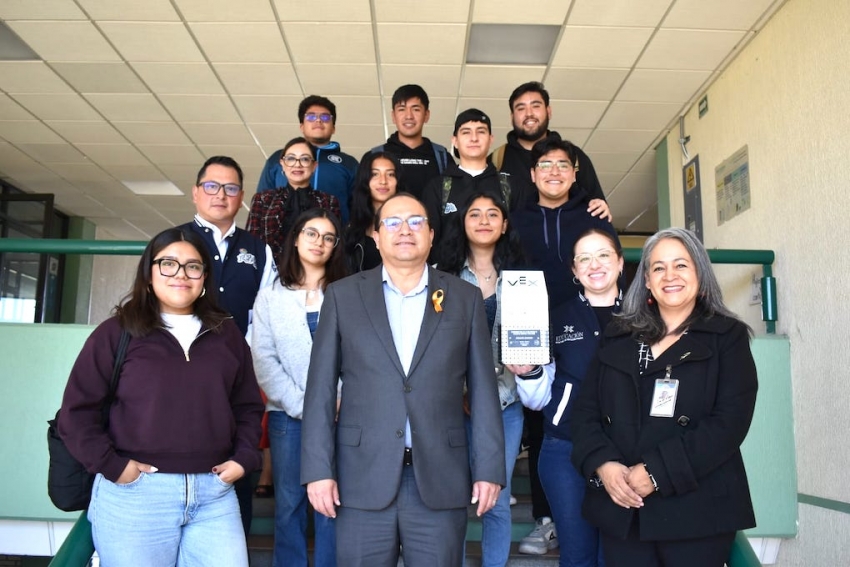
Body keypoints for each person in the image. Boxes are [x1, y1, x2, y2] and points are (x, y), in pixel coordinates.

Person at [301, 193, 506, 567]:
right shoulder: (343, 296)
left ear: (431, 235)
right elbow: (320, 390)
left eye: (415, 222)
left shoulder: (465, 297)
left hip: (440, 476)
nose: (405, 230)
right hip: (361, 477)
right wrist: (318, 471)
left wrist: (489, 469)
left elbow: (483, 391)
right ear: (376, 237)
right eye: (393, 223)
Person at [57, 228, 264, 567]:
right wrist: (114, 467)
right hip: (136, 494)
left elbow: (248, 407)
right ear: (149, 273)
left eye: (193, 266)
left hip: (214, 494)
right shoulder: (116, 332)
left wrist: (244, 458)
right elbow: (76, 413)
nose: (181, 274)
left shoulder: (226, 334)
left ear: (204, 277)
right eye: (168, 264)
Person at [571, 227, 758, 567]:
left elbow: (729, 424)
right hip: (625, 509)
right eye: (658, 267)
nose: (669, 276)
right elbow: (586, 412)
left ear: (700, 273)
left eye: (681, 265)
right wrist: (604, 465)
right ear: (646, 279)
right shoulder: (618, 334)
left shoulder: (727, 337)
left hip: (696, 512)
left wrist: (656, 472)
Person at [510, 136, 620, 555]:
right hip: (537, 327)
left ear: (575, 174)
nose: (554, 172)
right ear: (532, 174)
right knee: (545, 422)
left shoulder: (594, 215)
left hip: (590, 319)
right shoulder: (516, 218)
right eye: (545, 165)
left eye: (562, 165)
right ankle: (546, 520)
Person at [178, 154, 274, 532]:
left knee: (238, 459)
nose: (221, 194)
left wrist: (244, 356)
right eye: (212, 186)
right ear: (196, 193)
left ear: (242, 197)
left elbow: (265, 312)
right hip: (182, 372)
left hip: (238, 374)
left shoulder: (259, 249)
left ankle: (235, 544)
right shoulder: (175, 242)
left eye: (231, 188)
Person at [251, 209, 347, 567]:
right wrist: (306, 406)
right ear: (295, 239)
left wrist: (338, 400)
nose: (319, 242)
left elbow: (360, 356)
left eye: (328, 237)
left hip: (341, 413)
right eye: (311, 233)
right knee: (289, 504)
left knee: (332, 504)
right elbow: (264, 361)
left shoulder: (348, 294)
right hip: (287, 417)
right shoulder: (270, 297)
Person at [435, 191, 526, 567]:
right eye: (475, 214)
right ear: (462, 223)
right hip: (452, 406)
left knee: (497, 498)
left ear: (504, 225)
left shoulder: (522, 279)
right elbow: (432, 344)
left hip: (505, 402)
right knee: (453, 497)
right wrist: (460, 390)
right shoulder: (442, 277)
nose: (484, 220)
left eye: (493, 214)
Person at [491, 81, 610, 220]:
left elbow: (598, 208)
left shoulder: (575, 157)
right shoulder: (496, 160)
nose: (529, 113)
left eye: (536, 106)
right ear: (512, 117)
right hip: (515, 234)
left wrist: (601, 206)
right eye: (521, 108)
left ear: (548, 111)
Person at [422, 108, 524, 255]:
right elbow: (429, 240)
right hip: (449, 268)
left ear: (491, 139)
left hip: (501, 267)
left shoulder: (509, 185)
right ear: (455, 141)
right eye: (466, 132)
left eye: (481, 131)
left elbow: (519, 239)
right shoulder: (438, 187)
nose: (474, 138)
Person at [256, 95, 358, 223]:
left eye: (325, 117)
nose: (318, 120)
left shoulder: (348, 163)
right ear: (302, 126)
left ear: (333, 128)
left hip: (333, 233)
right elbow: (262, 203)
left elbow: (358, 208)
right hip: (282, 233)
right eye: (311, 117)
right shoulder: (278, 158)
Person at [247, 137, 341, 263]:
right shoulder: (263, 199)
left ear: (314, 166)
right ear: (282, 163)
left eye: (305, 159)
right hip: (269, 271)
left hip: (314, 271)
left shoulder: (328, 201)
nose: (297, 164)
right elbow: (252, 244)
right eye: (291, 158)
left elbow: (333, 247)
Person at [366, 84, 452, 199]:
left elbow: (453, 201)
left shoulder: (442, 158)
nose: (409, 116)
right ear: (393, 116)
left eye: (416, 109)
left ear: (426, 115)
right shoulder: (374, 156)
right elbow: (361, 202)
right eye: (402, 109)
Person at [343, 151, 404, 272]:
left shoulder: (411, 227)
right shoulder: (351, 231)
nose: (383, 181)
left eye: (390, 174)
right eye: (375, 174)